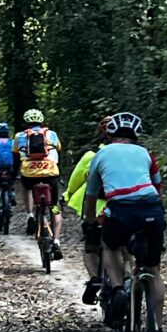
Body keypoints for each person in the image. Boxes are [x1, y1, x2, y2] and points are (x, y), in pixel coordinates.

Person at [82, 112, 165, 332]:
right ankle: (156, 331)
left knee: (109, 247)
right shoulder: (146, 154)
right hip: (151, 210)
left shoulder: (101, 154)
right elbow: (158, 188)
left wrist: (89, 224)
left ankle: (118, 289)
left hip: (120, 210)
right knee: (153, 271)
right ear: (135, 135)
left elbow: (90, 197)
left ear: (111, 134)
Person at [65, 116, 112, 304]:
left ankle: (94, 278)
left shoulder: (92, 157)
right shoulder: (138, 155)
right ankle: (124, 281)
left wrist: (67, 195)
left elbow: (75, 181)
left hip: (96, 211)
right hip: (125, 209)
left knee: (91, 248)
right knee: (122, 249)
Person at [13, 108, 63, 259]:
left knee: (26, 187)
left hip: (29, 172)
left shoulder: (19, 136)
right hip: (50, 172)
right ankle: (56, 240)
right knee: (55, 207)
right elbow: (58, 150)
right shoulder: (51, 134)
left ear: (26, 122)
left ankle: (29, 215)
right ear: (41, 121)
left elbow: (16, 157)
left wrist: (15, 174)